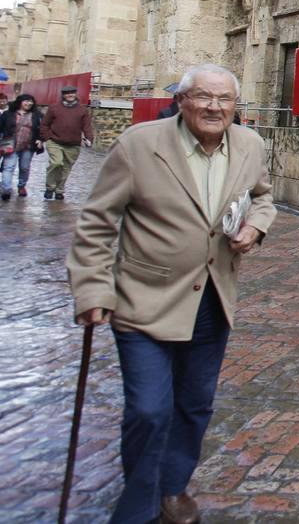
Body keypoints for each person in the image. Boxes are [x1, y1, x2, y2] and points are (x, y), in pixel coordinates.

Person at [68, 63, 274, 524]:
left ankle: (174, 487)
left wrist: (257, 226)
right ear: (181, 100)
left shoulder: (250, 144)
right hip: (144, 299)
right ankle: (139, 506)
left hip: (212, 301)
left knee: (195, 404)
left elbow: (262, 195)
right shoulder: (140, 144)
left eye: (224, 99)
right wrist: (92, 288)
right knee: (148, 410)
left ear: (236, 105)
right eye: (202, 96)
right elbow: (98, 222)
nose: (214, 107)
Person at [41, 84, 95, 200]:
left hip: (73, 144)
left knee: (65, 168)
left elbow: (87, 126)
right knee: (56, 163)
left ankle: (59, 190)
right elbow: (45, 124)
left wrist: (89, 139)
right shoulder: (54, 108)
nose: (70, 95)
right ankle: (50, 187)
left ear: (75, 94)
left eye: (72, 93)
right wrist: (47, 137)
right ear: (63, 95)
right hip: (55, 141)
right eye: (67, 93)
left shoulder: (82, 110)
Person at [0, 94, 43, 200]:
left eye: (31, 101)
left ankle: (22, 186)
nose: (29, 103)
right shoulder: (8, 114)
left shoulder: (37, 115)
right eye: (26, 101)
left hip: (28, 145)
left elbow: (42, 128)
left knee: (24, 168)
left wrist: (40, 139)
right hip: (10, 145)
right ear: (20, 102)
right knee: (8, 167)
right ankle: (6, 189)